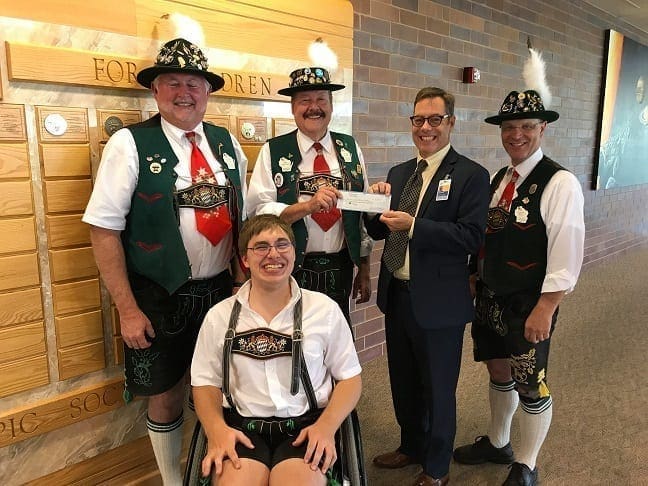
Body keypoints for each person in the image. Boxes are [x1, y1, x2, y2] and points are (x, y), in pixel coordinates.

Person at [82, 38, 248, 485]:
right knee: (166, 394)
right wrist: (127, 309)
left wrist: (240, 282)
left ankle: (213, 472)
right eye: (172, 82)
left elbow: (242, 220)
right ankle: (173, 481)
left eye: (193, 83)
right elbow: (103, 229)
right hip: (157, 294)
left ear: (207, 92)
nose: (184, 92)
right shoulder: (129, 143)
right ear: (155, 91)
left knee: (218, 387)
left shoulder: (226, 142)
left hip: (221, 291)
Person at [452, 89, 585, 486]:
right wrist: (473, 274)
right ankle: (499, 442)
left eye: (527, 126)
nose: (517, 135)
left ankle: (527, 464)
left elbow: (566, 250)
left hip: (529, 303)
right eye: (509, 127)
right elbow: (486, 235)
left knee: (530, 381)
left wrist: (547, 307)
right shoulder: (500, 179)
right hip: (490, 296)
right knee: (498, 368)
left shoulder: (559, 182)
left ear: (543, 129)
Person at [366, 87, 491, 486]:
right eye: (418, 119)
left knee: (437, 388)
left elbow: (471, 236)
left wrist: (415, 226)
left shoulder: (471, 175)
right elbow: (379, 231)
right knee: (403, 380)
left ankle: (437, 469)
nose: (425, 128)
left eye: (435, 119)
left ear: (450, 122)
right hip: (398, 295)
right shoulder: (400, 173)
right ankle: (411, 446)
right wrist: (374, 204)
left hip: (439, 303)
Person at [191, 214, 362, 485]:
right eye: (261, 247)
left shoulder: (324, 310)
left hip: (306, 426)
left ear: (294, 253)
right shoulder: (219, 317)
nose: (274, 254)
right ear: (245, 259)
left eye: (283, 244)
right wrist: (215, 430)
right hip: (242, 427)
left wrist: (327, 427)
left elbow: (350, 378)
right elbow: (204, 382)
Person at [246, 67, 371, 323]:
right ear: (293, 108)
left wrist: (365, 267)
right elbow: (258, 213)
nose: (314, 107)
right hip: (290, 267)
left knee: (336, 333)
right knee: (293, 334)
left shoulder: (349, 147)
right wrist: (307, 207)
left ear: (331, 105)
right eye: (305, 100)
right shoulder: (273, 150)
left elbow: (360, 213)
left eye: (321, 99)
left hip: (341, 266)